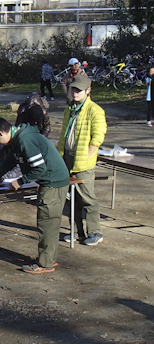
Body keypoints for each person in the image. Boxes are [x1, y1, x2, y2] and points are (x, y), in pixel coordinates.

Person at [0, 118, 69, 274]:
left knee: (47, 223)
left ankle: (45, 263)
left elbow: (39, 168)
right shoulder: (17, 139)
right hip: (51, 180)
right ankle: (46, 257)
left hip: (53, 182)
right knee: (48, 222)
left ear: (1, 133)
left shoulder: (25, 140)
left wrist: (21, 180)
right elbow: (9, 161)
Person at [57, 73, 107, 246]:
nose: (75, 93)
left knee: (87, 198)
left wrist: (87, 155)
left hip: (83, 162)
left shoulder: (95, 110)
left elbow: (98, 137)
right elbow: (64, 134)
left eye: (79, 90)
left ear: (88, 91)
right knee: (71, 200)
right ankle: (77, 232)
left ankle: (95, 232)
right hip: (67, 158)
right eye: (73, 89)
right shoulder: (69, 109)